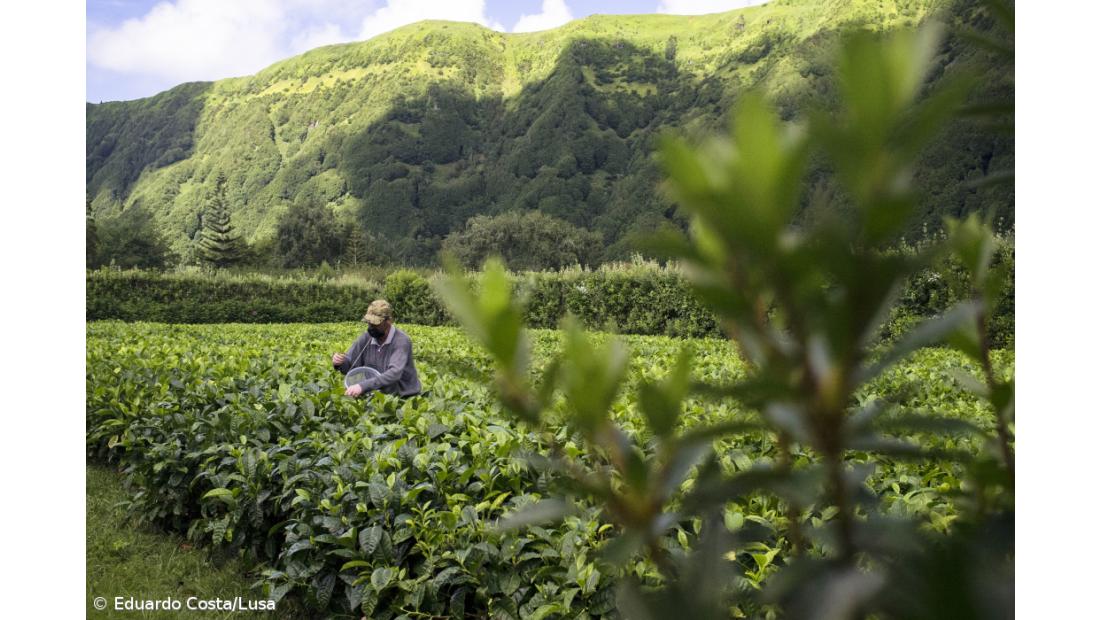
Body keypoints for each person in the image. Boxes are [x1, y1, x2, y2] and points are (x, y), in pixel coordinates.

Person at [332, 299, 422, 398]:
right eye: (369, 323)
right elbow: (350, 366)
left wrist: (362, 386)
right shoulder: (366, 338)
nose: (371, 327)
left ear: (388, 321)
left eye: (376, 324)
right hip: (377, 395)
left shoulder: (401, 341)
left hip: (403, 397)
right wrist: (340, 362)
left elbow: (394, 374)